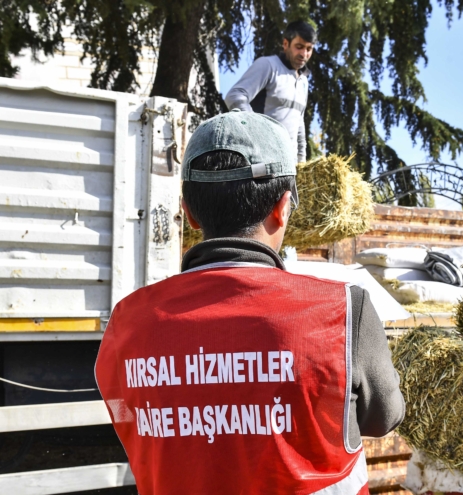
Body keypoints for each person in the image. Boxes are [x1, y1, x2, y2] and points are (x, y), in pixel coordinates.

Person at [95, 110, 405, 495]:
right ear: (283, 207)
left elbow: (129, 418)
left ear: (188, 212)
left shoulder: (128, 321)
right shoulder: (344, 310)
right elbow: (384, 418)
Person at [225, 20, 315, 164]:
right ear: (286, 44)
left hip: (287, 166)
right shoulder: (268, 65)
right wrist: (258, 134)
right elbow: (235, 96)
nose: (304, 54)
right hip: (259, 160)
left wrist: (301, 163)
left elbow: (299, 123)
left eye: (309, 49)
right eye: (299, 47)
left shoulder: (304, 81)